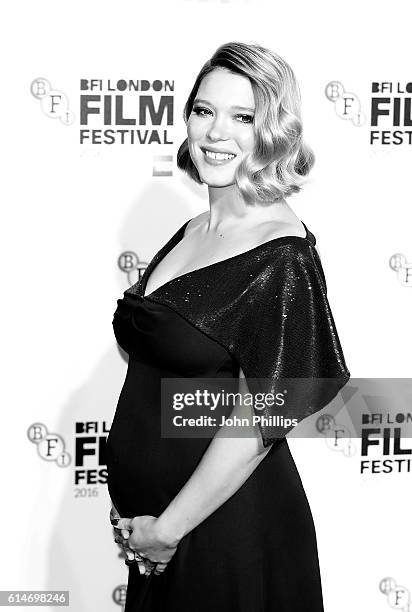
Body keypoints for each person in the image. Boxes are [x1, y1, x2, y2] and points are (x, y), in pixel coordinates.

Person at [106, 41, 350, 611]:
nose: (217, 132)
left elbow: (266, 413)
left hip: (223, 528)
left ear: (273, 131)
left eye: (243, 117)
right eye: (204, 110)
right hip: (154, 532)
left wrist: (168, 529)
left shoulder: (281, 253)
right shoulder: (193, 228)